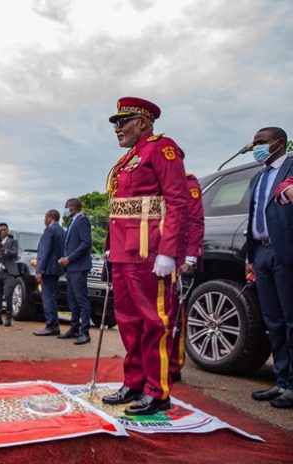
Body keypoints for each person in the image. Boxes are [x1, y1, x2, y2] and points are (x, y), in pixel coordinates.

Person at [101, 97, 189, 416]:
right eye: (115, 123)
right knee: (127, 320)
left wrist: (169, 251)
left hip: (150, 250)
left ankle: (157, 390)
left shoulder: (161, 149)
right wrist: (112, 245)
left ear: (144, 122)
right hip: (124, 251)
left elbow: (177, 202)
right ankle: (134, 382)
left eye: (123, 121)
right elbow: (121, 208)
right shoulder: (129, 159)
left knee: (155, 320)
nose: (117, 128)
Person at [245, 127, 293, 409]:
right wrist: (249, 257)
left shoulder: (290, 167)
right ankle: (281, 380)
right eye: (255, 143)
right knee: (272, 320)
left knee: (290, 319)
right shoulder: (257, 178)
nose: (256, 147)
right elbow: (254, 216)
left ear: (280, 143)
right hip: (260, 252)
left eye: (261, 143)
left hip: (285, 251)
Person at [169, 173, 204, 382]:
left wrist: (191, 258)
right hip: (154, 257)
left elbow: (195, 220)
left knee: (174, 315)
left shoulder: (187, 182)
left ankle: (172, 365)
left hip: (178, 258)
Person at [57, 199, 92, 344]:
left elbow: (86, 243)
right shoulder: (72, 222)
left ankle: (85, 332)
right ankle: (74, 328)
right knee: (72, 299)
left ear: (73, 208)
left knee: (81, 299)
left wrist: (69, 258)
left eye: (66, 208)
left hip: (79, 266)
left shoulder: (82, 221)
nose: (65, 211)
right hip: (71, 267)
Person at [33, 210, 65, 336]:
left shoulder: (49, 231)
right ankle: (54, 326)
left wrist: (39, 270)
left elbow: (44, 252)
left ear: (50, 217)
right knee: (52, 298)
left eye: (45, 217)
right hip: (57, 269)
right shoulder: (62, 231)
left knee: (47, 298)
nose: (44, 220)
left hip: (48, 269)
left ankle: (50, 326)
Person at [0, 223, 20, 327]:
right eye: (1, 230)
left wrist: (4, 250)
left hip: (8, 273)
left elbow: (15, 254)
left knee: (8, 294)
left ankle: (8, 318)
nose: (3, 231)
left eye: (5, 229)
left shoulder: (13, 242)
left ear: (7, 230)